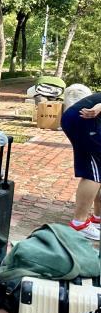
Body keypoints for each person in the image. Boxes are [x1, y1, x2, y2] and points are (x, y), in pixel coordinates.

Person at [60, 93, 101, 240]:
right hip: (86, 118)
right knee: (95, 171)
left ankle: (97, 219)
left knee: (97, 170)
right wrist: (99, 108)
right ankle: (79, 223)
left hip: (81, 119)